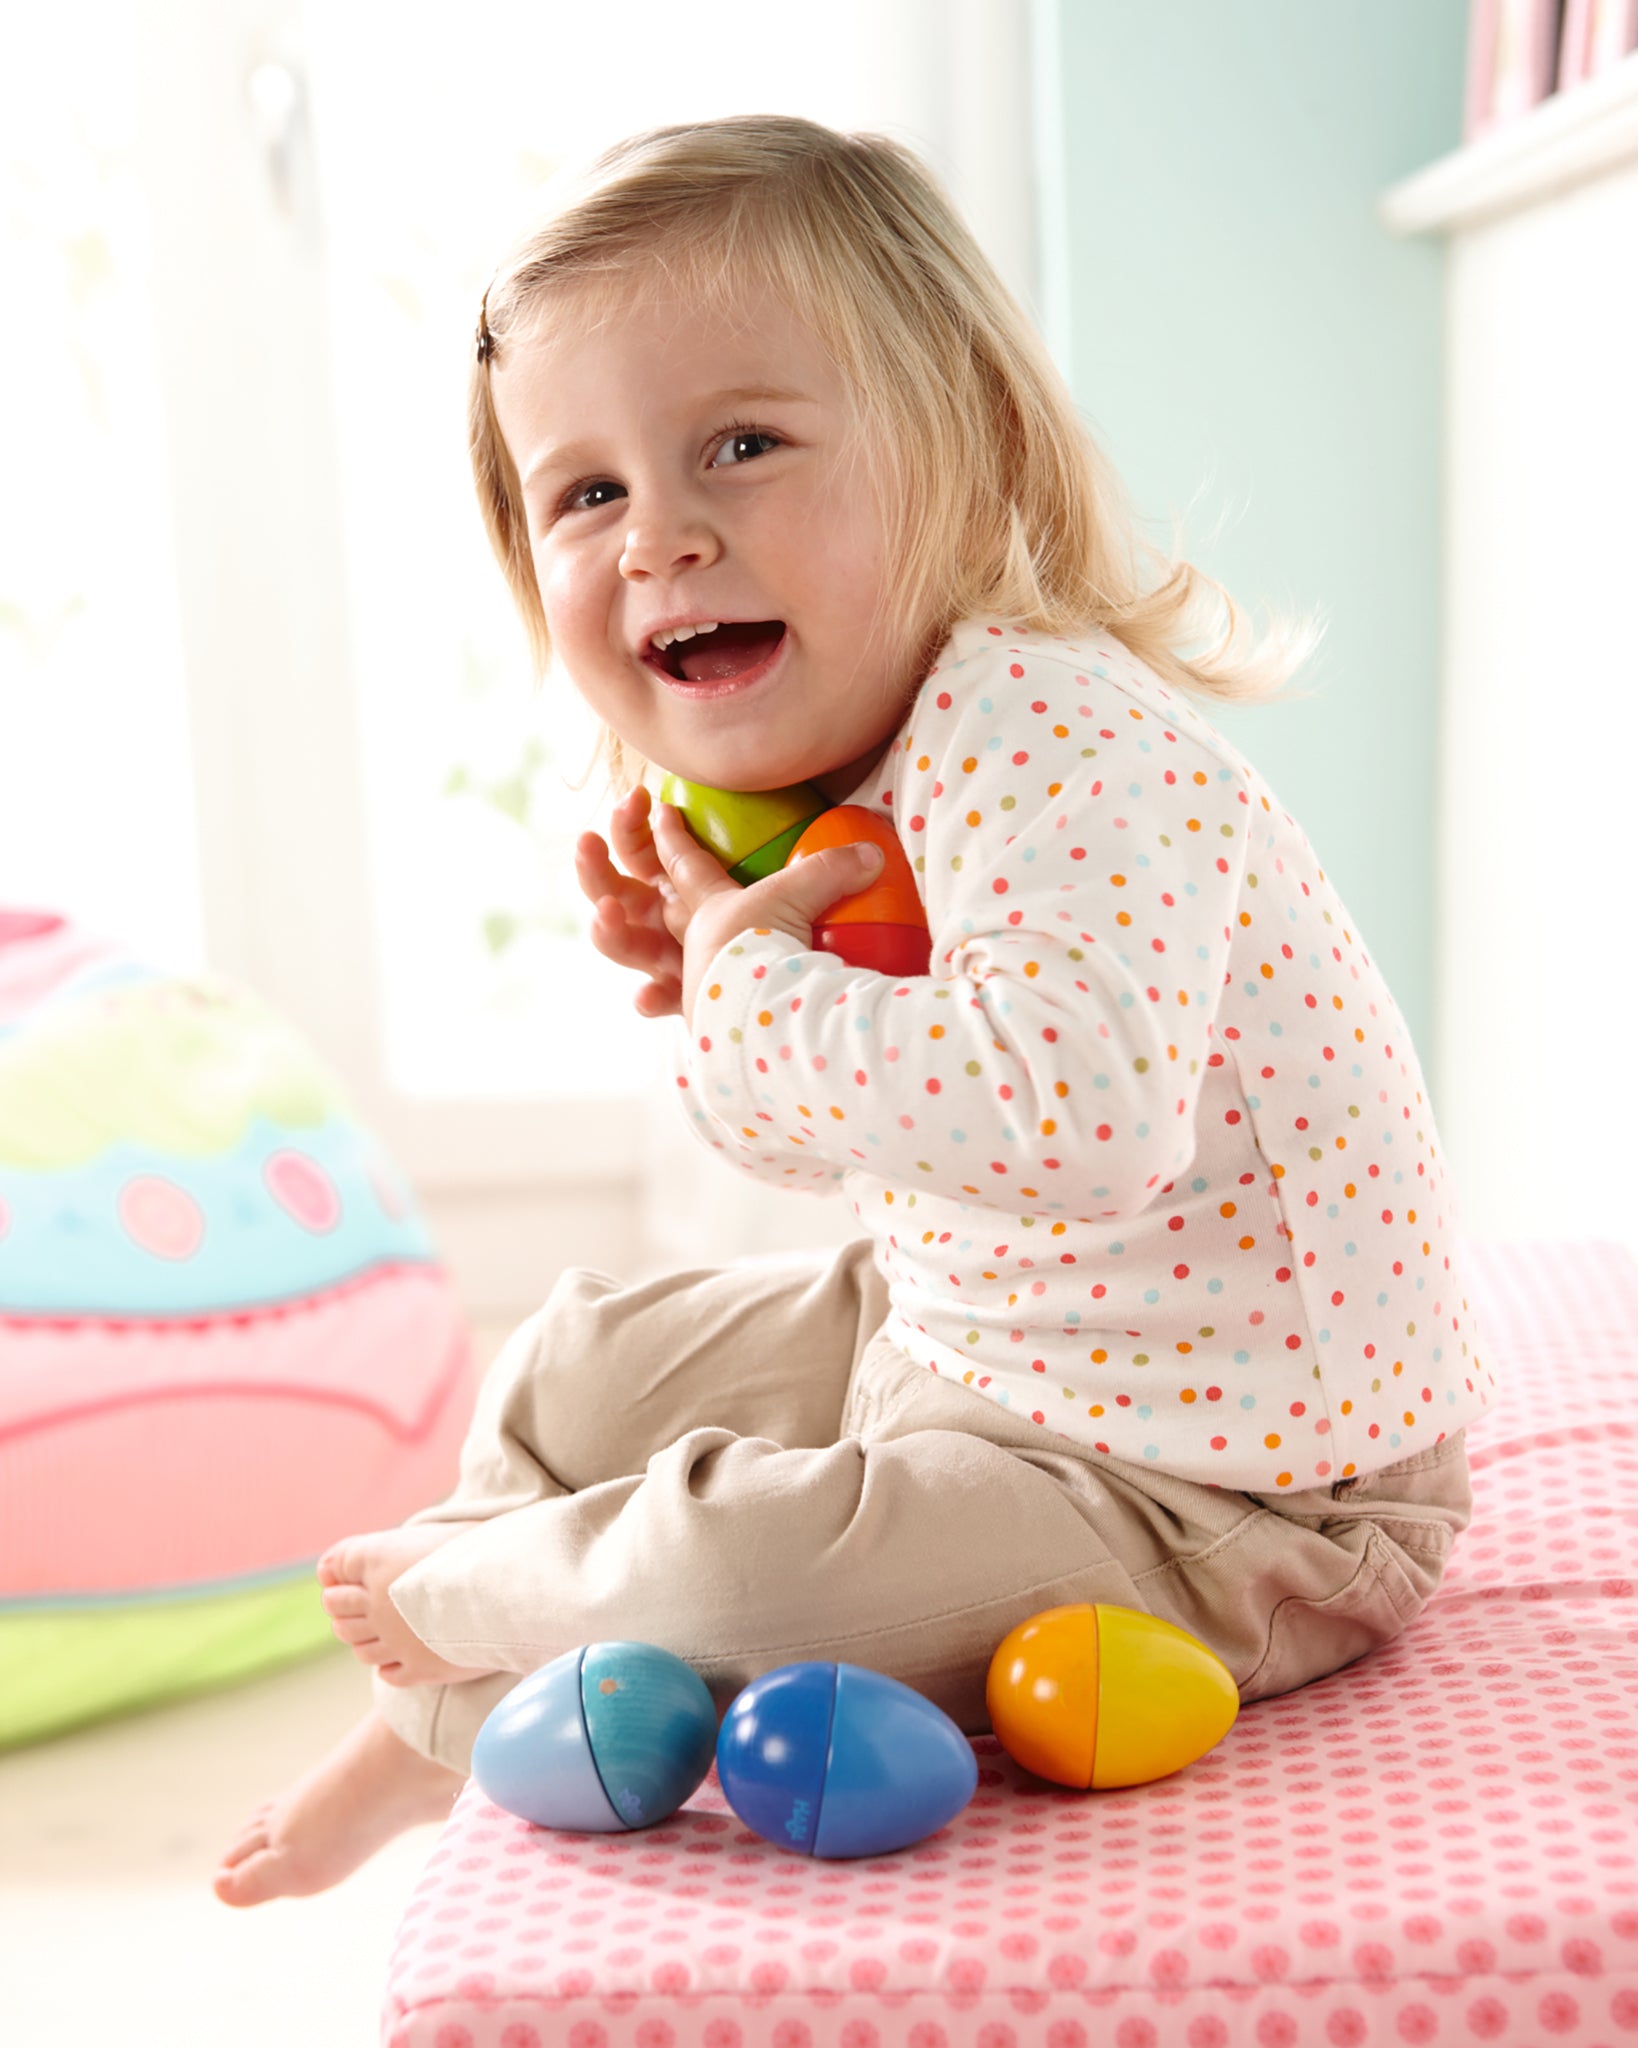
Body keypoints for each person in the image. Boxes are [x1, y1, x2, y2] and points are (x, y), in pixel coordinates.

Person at [215, 113, 1494, 1908]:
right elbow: (846, 1146)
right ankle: (460, 1718)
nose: (658, 533)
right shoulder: (856, 765)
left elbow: (1071, 1130)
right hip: (992, 1343)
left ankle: (486, 1608)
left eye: (740, 445)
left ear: (957, 448)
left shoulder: (1054, 739)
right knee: (579, 1355)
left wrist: (755, 993)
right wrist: (735, 995)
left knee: (737, 1580)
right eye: (583, 492)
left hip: (1243, 1495)